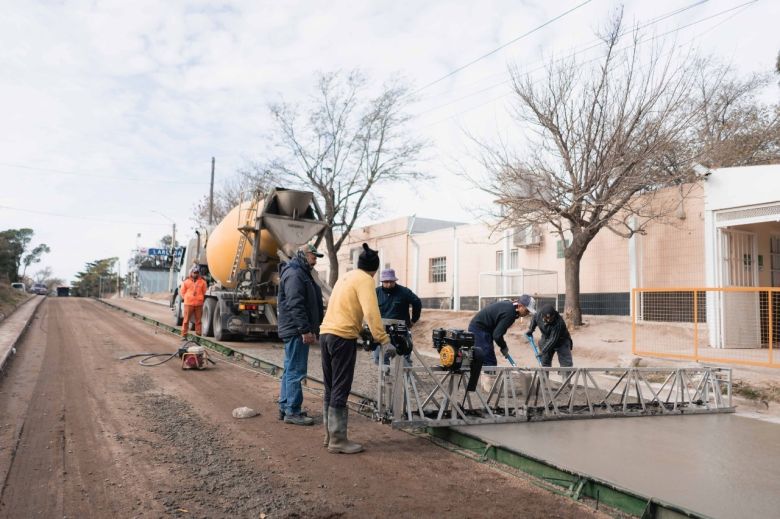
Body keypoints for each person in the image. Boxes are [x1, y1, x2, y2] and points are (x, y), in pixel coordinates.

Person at [319, 243, 390, 454]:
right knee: (341, 387)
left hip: (326, 334)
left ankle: (329, 436)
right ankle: (338, 441)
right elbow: (371, 311)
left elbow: (345, 308)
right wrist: (383, 339)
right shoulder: (365, 280)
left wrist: (361, 331)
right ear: (374, 270)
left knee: (330, 387)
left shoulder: (346, 277)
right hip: (342, 338)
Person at [277, 243, 325, 426]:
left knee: (290, 369)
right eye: (313, 256)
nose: (315, 259)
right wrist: (305, 329)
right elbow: (295, 304)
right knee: (296, 371)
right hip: (296, 330)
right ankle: (293, 411)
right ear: (304, 255)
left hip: (295, 329)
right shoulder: (295, 273)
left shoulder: (300, 272)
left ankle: (285, 406)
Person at [468, 294, 536, 367]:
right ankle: (488, 378)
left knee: (484, 359)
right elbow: (497, 335)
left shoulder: (511, 306)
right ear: (520, 306)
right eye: (526, 310)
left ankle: (479, 376)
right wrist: (504, 347)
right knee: (489, 362)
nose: (527, 313)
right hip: (479, 329)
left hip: (484, 329)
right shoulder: (510, 313)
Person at [374, 268, 421, 368]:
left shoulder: (404, 292)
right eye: (386, 282)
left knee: (404, 357)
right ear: (382, 281)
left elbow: (417, 302)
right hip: (383, 332)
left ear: (395, 281)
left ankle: (407, 380)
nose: (389, 284)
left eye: (391, 282)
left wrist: (413, 320)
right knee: (379, 357)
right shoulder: (376, 293)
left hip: (401, 331)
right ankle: (387, 379)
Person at [180, 264, 208, 339]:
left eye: (197, 272)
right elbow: (182, 292)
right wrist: (186, 298)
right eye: (194, 272)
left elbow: (204, 292)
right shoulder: (186, 282)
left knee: (198, 321)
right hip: (188, 303)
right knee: (186, 320)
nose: (196, 274)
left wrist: (200, 298)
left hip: (199, 304)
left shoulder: (203, 282)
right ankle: (184, 335)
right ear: (191, 273)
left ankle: (198, 335)